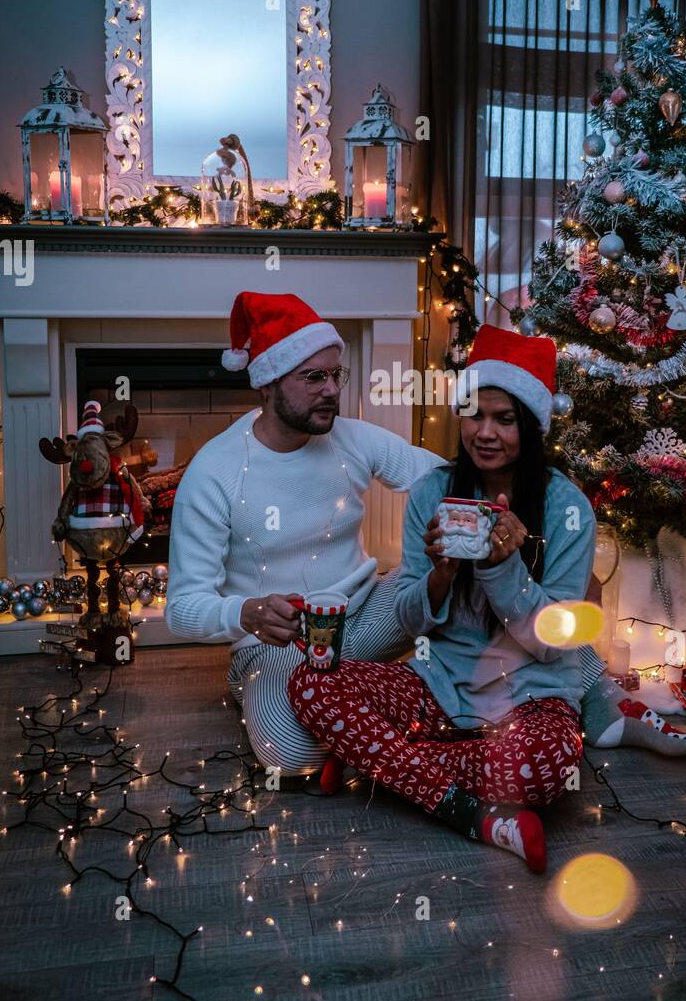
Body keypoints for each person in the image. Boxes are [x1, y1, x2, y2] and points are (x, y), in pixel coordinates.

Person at [289, 325, 597, 872]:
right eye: (475, 414)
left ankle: (380, 762)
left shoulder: (568, 509)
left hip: (530, 698)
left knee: (548, 766)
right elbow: (408, 618)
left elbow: (554, 643)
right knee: (312, 682)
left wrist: (504, 568)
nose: (486, 432)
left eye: (505, 419)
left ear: (531, 425)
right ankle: (475, 814)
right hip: (436, 684)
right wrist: (440, 574)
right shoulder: (432, 491)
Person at [165, 291, 443, 773]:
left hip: (365, 620)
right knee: (290, 758)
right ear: (268, 384)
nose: (331, 389)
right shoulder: (216, 470)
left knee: (463, 569)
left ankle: (358, 704)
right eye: (313, 377)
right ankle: (392, 702)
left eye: (336, 375)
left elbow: (444, 481)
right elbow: (182, 610)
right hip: (276, 649)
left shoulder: (354, 438)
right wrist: (247, 613)